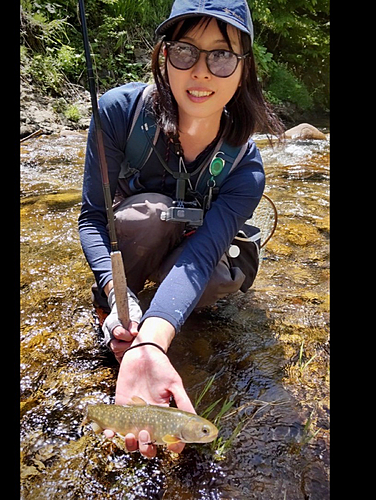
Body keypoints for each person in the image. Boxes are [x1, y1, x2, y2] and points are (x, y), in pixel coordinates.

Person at [78, 0, 283, 458]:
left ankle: (152, 319)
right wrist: (117, 293)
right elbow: (93, 217)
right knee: (149, 213)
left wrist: (152, 339)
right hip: (137, 239)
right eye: (187, 51)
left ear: (244, 69)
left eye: (222, 55)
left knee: (221, 272)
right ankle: (122, 307)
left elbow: (203, 253)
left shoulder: (246, 166)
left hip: (195, 251)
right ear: (164, 56)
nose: (203, 71)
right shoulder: (119, 113)